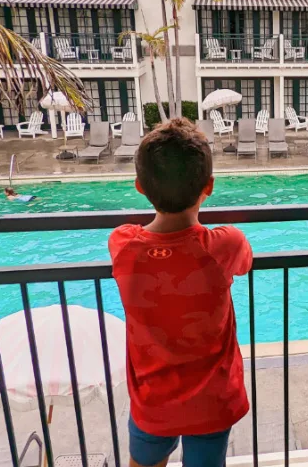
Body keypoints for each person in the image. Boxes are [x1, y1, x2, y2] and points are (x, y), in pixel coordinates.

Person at [110, 118, 252, 467]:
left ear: (140, 187)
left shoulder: (123, 243)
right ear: (209, 186)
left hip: (152, 399)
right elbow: (243, 262)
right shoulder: (224, 245)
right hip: (211, 400)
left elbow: (145, 237)